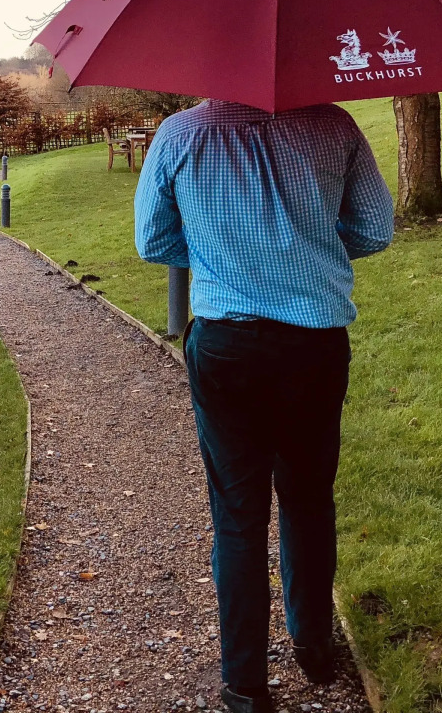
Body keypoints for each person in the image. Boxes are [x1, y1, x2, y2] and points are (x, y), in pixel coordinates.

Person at [134, 100, 394, 713]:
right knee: (307, 497)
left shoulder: (180, 134)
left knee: (237, 511)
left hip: (227, 346)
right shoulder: (334, 126)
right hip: (314, 342)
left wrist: (216, 254)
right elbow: (374, 229)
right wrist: (307, 251)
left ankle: (245, 683)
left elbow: (153, 240)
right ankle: (314, 646)